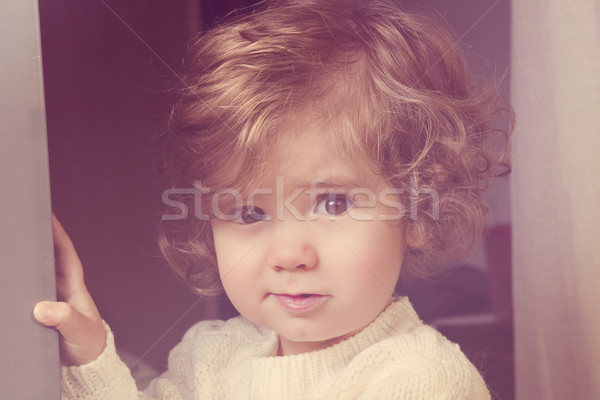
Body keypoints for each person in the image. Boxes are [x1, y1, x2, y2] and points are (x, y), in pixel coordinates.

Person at [34, 0, 512, 398]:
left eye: (333, 204)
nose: (289, 255)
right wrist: (91, 356)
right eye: (249, 211)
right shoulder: (209, 358)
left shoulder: (422, 380)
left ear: (417, 210)